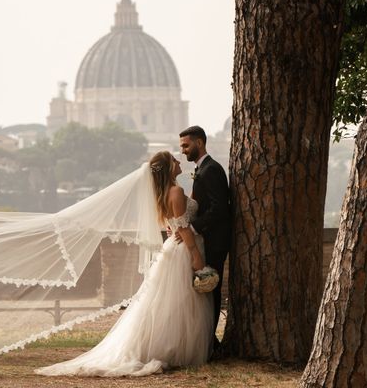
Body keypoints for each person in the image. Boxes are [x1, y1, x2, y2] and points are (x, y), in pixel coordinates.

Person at [35, 151, 214, 377]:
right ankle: (171, 349)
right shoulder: (176, 191)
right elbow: (183, 228)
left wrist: (176, 229)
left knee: (166, 303)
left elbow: (174, 224)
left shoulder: (163, 193)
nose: (179, 162)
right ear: (169, 168)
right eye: (175, 160)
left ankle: (165, 346)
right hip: (183, 250)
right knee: (180, 302)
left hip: (172, 247)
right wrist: (196, 256)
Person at [177, 126, 231, 353]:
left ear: (199, 143)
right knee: (205, 290)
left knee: (212, 289)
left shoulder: (211, 170)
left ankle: (210, 341)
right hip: (206, 238)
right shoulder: (203, 169)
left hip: (215, 240)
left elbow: (220, 208)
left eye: (186, 145)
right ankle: (207, 340)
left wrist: (194, 227)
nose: (183, 151)